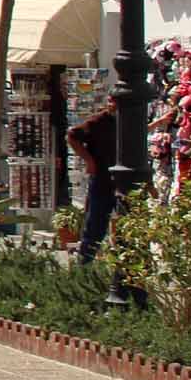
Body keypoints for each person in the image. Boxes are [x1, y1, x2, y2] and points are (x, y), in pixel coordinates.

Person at [66, 101, 121, 264]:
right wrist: (89, 161)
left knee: (125, 227)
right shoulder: (98, 122)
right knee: (96, 225)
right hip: (102, 178)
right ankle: (84, 265)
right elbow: (72, 136)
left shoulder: (126, 120)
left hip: (121, 181)